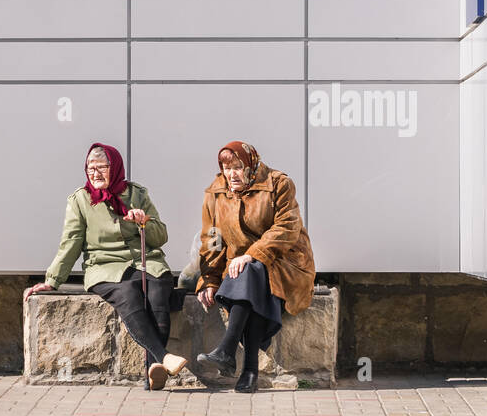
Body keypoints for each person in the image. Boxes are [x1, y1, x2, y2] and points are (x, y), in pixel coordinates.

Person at [25, 142, 188, 390]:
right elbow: (71, 242)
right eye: (90, 168)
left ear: (116, 168)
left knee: (157, 293)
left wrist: (143, 222)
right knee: (129, 294)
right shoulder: (81, 200)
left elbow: (160, 236)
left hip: (145, 262)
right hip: (105, 266)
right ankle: (162, 358)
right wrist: (52, 279)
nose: (95, 173)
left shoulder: (137, 195)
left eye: (102, 167)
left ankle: (153, 371)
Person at [194, 140, 316, 393]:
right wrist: (209, 280)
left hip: (286, 260)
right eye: (226, 168)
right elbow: (212, 240)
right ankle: (248, 371)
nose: (231, 174)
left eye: (238, 167)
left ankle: (229, 351)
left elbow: (287, 228)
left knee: (254, 273)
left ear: (250, 165)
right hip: (242, 269)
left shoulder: (278, 183)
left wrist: (252, 255)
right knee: (252, 281)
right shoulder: (216, 193)